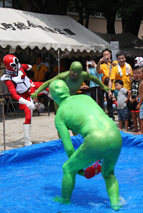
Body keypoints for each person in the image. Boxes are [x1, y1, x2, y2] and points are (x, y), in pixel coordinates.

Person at [49, 79, 122, 210]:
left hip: (95, 139)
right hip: (116, 134)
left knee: (67, 168)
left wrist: (77, 167)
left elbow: (68, 146)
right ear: (67, 90)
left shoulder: (60, 115)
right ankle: (116, 205)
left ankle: (65, 200)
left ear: (53, 96)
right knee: (109, 173)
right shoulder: (84, 97)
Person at [1, 54, 47, 146]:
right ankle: (27, 140)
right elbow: (14, 95)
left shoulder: (19, 66)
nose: (16, 66)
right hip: (24, 96)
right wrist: (27, 103)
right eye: (14, 65)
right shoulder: (8, 78)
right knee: (28, 117)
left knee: (48, 87)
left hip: (32, 87)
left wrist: (27, 66)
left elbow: (29, 67)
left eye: (17, 62)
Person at [31, 61, 110, 113]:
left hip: (71, 99)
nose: (72, 74)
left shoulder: (83, 75)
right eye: (71, 72)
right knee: (61, 121)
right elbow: (48, 82)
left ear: (80, 73)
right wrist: (36, 92)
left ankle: (74, 137)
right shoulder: (64, 75)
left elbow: (93, 78)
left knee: (74, 120)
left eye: (75, 74)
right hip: (60, 101)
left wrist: (103, 86)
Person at [96, 49, 116, 120]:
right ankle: (102, 114)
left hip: (111, 84)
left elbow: (118, 66)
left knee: (109, 100)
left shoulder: (113, 63)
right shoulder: (102, 65)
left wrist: (110, 61)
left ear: (110, 55)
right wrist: (99, 62)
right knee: (101, 100)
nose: (106, 56)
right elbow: (98, 70)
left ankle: (111, 115)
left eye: (107, 54)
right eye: (104, 55)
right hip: (103, 84)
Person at [129, 66, 142, 132]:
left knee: (139, 116)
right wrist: (130, 98)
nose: (134, 75)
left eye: (135, 73)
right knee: (133, 116)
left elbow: (141, 92)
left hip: (137, 100)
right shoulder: (133, 81)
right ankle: (136, 128)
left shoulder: (141, 82)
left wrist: (135, 99)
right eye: (133, 73)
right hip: (132, 100)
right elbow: (131, 90)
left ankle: (140, 128)